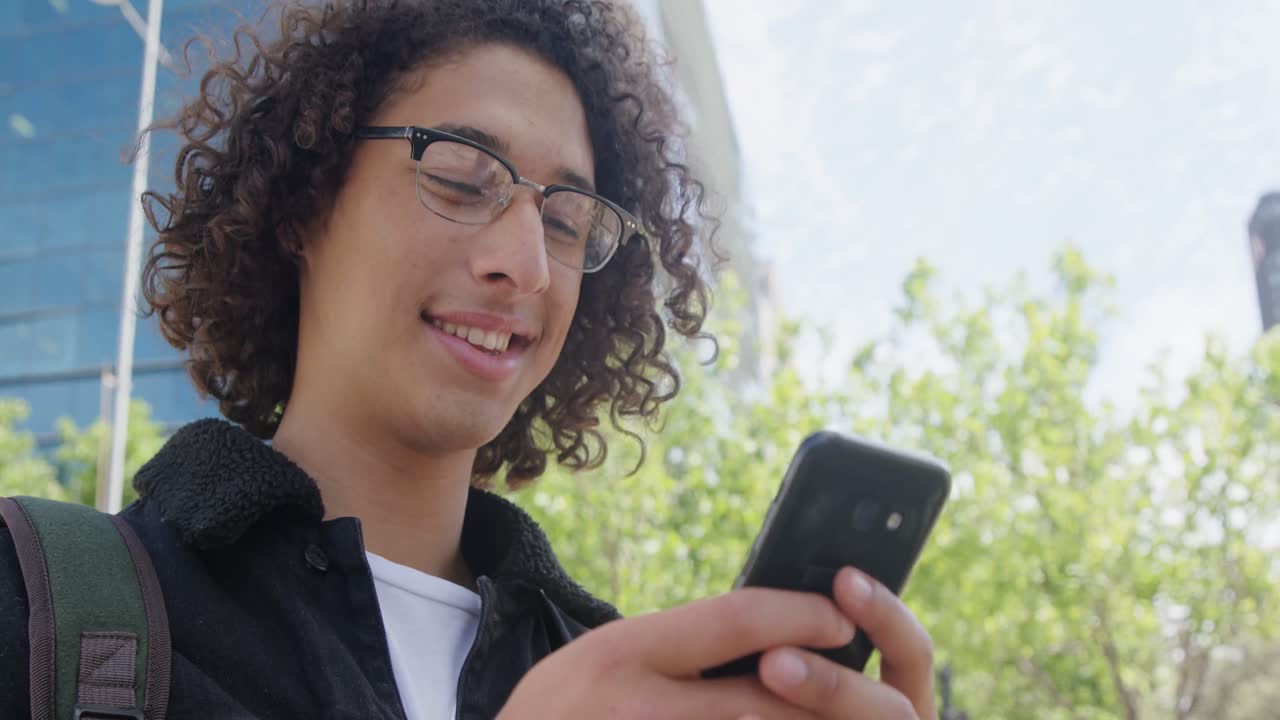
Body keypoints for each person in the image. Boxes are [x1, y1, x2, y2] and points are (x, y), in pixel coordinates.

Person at [0, 0, 937, 717]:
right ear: (302, 202)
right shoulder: (38, 606)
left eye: (566, 220)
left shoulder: (632, 681)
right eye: (459, 176)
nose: (525, 263)